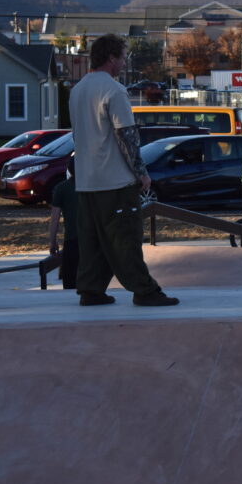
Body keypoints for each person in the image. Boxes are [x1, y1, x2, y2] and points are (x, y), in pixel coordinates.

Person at [67, 34, 178, 307]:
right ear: (111, 58)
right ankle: (145, 291)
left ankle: (91, 290)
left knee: (93, 239)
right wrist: (141, 173)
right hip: (115, 181)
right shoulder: (114, 91)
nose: (125, 62)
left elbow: (78, 135)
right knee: (125, 237)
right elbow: (126, 136)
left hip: (86, 181)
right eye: (123, 57)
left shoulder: (77, 90)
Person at [48, 158, 80, 290]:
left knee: (70, 280)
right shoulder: (92, 188)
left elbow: (55, 218)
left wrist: (52, 242)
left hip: (72, 239)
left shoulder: (61, 188)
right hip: (91, 239)